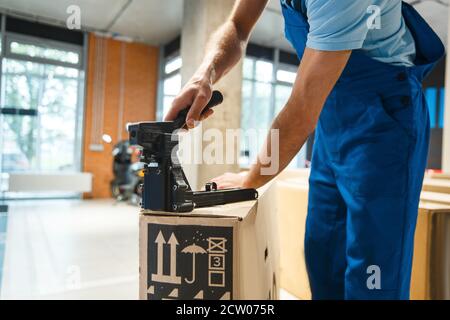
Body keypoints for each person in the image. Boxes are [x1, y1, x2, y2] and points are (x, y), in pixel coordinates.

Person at [164, 0, 444, 300]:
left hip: (384, 118)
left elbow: (301, 109)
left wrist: (250, 179)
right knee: (322, 256)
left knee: (372, 272)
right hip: (331, 116)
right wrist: (203, 75)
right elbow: (238, 25)